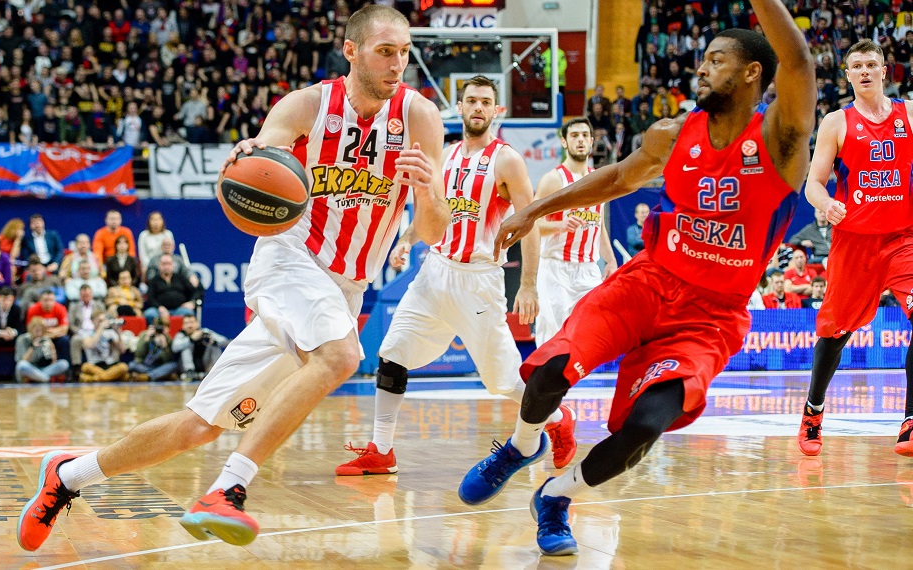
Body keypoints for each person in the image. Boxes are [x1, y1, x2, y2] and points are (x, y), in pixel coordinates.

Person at [18, 5, 450, 552]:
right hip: (290, 259)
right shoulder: (308, 105)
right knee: (342, 356)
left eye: (404, 52)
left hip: (346, 285)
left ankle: (67, 475)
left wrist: (429, 192)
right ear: (351, 51)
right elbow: (264, 148)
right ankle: (227, 489)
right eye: (385, 51)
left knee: (198, 426)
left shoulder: (420, 118)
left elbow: (432, 230)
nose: (397, 63)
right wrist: (251, 151)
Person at [458, 4, 815, 556]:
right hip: (647, 282)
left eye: (717, 60)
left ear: (751, 73)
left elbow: (798, 62)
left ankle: (557, 495)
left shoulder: (780, 140)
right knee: (549, 371)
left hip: (710, 316)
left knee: (645, 427)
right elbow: (619, 178)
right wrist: (533, 210)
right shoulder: (673, 134)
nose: (702, 68)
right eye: (703, 58)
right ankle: (523, 445)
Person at [335, 75, 574, 477]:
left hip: (478, 280)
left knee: (502, 382)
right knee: (393, 352)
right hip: (435, 272)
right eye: (472, 101)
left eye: (486, 102)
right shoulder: (444, 155)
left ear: (496, 110)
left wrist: (529, 283)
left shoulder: (507, 160)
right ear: (460, 108)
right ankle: (382, 450)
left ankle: (559, 418)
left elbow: (529, 223)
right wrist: (407, 240)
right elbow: (434, 213)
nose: (478, 107)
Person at [796, 38, 913, 458]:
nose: (865, 71)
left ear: (885, 71)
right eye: (857, 66)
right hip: (855, 242)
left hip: (903, 239)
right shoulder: (836, 122)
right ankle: (813, 409)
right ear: (847, 75)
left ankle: (910, 420)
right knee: (835, 333)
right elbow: (813, 183)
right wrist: (826, 203)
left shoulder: (908, 113)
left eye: (871, 64)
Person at [534, 117, 617, 347]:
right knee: (555, 339)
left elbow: (598, 225)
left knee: (590, 336)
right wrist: (558, 226)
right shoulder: (553, 180)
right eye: (574, 135)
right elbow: (530, 224)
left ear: (591, 141)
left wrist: (611, 260)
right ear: (564, 142)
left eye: (584, 135)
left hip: (589, 269)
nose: (580, 140)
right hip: (556, 268)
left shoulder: (599, 179)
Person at [172, 314, 229, 382]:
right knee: (185, 346)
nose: (190, 325)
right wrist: (190, 339)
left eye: (192, 322)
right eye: (186, 323)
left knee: (215, 346)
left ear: (197, 324)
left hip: (205, 363)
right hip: (185, 367)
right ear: (183, 326)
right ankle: (190, 372)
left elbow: (225, 342)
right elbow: (174, 348)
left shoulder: (204, 332)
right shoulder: (181, 335)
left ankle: (216, 370)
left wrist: (214, 341)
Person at [15, 316, 69, 383]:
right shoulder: (22, 339)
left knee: (64, 364)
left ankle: (37, 378)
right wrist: (32, 347)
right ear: (31, 329)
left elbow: (53, 362)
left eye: (41, 331)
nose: (39, 333)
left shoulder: (45, 339)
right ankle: (46, 379)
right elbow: (22, 361)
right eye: (37, 331)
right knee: (21, 365)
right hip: (30, 368)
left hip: (43, 369)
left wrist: (52, 350)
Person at [144, 254, 197, 322]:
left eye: (169, 264)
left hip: (179, 309)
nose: (166, 267)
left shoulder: (181, 278)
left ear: (173, 265)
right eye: (164, 264)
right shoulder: (154, 280)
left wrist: (192, 302)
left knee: (188, 313)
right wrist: (159, 307)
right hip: (159, 310)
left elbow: (195, 291)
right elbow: (150, 297)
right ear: (159, 265)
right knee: (149, 314)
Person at [79, 311, 129, 383]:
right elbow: (91, 345)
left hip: (110, 364)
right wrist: (101, 328)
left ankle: (92, 378)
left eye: (104, 320)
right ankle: (110, 377)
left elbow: (122, 350)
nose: (102, 322)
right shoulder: (86, 333)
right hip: (94, 365)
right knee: (85, 367)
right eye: (100, 320)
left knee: (123, 367)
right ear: (92, 321)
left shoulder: (110, 333)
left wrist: (118, 333)